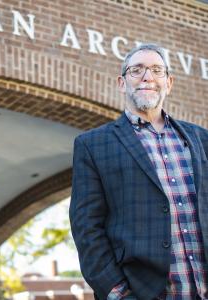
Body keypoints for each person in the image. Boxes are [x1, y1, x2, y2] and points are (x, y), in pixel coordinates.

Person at [69, 43, 208, 300]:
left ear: (169, 82)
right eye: (137, 70)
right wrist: (117, 292)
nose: (148, 77)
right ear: (122, 83)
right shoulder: (92, 145)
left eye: (157, 70)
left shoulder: (202, 139)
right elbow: (86, 227)